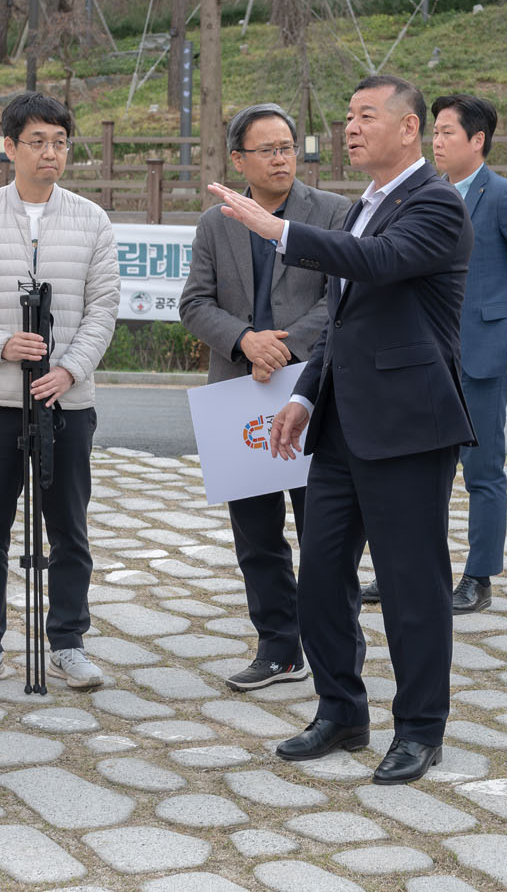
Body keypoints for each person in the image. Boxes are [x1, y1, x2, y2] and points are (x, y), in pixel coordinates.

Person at [206, 74, 474, 786]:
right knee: (323, 577)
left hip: (408, 427)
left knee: (412, 586)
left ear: (409, 128)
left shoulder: (436, 203)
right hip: (340, 424)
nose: (350, 127)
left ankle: (420, 729)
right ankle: (341, 711)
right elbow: (344, 320)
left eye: (365, 116)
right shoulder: (364, 205)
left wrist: (280, 231)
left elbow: (378, 264)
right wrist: (304, 394)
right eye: (348, 115)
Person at [0, 92, 119, 693]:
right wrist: (0, 343)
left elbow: (103, 309)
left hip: (68, 402)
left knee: (69, 527)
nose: (50, 153)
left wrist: (69, 370)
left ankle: (67, 641)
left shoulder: (91, 220)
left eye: (60, 142)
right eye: (37, 142)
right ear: (9, 147)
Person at [360, 93, 507, 613]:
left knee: (482, 471)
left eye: (448, 132)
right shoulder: (427, 194)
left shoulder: (504, 196)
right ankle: (404, 569)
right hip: (427, 355)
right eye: (436, 132)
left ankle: (478, 577)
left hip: (482, 354)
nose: (437, 141)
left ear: (478, 140)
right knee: (419, 471)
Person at [179, 102, 349, 691]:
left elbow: (342, 297)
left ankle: (334, 647)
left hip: (312, 388)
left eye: (287, 147)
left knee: (323, 529)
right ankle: (279, 648)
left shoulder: (331, 211)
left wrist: (285, 346)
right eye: (267, 150)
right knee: (255, 533)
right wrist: (245, 340)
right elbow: (194, 303)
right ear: (238, 160)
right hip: (239, 391)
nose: (281, 159)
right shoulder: (216, 223)